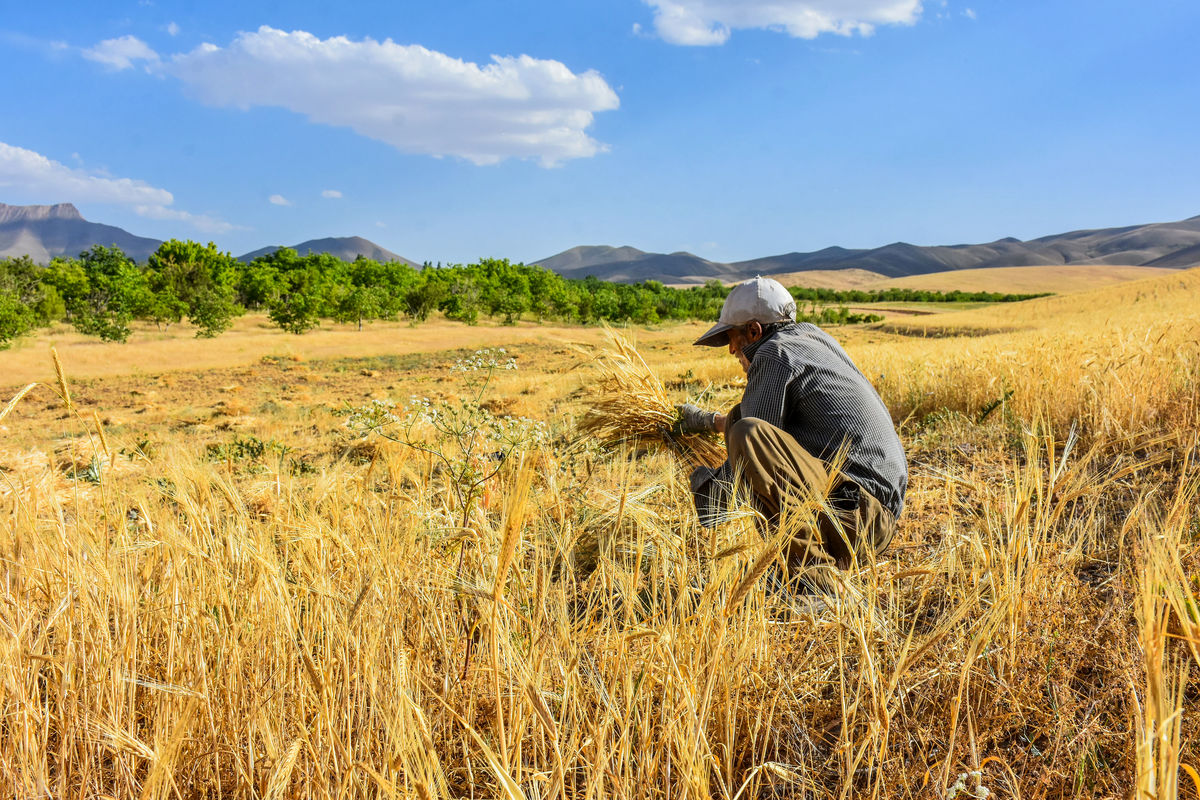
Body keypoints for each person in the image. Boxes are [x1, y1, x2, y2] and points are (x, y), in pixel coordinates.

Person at [676, 276, 907, 592]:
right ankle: (795, 566)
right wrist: (704, 421)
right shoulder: (812, 339)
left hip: (857, 519)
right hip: (873, 515)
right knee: (748, 428)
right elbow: (760, 419)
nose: (731, 349)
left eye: (732, 338)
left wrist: (709, 489)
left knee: (749, 436)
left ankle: (813, 582)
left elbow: (754, 441)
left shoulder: (774, 353)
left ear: (754, 331)